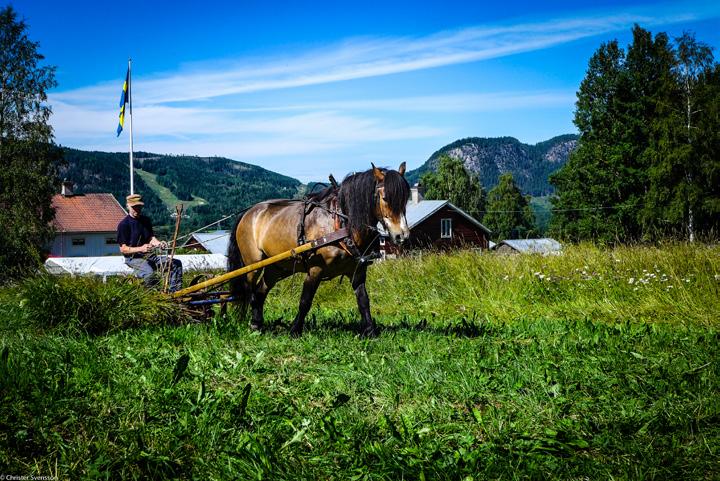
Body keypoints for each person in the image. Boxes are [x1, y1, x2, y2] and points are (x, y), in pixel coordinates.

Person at [117, 194, 183, 292]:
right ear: (128, 206)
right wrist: (141, 248)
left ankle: (174, 292)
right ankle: (151, 296)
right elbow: (123, 249)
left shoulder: (145, 221)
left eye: (139, 207)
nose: (137, 209)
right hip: (133, 258)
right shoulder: (124, 225)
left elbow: (151, 238)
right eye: (134, 207)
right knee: (149, 273)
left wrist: (159, 244)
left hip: (150, 256)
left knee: (175, 264)